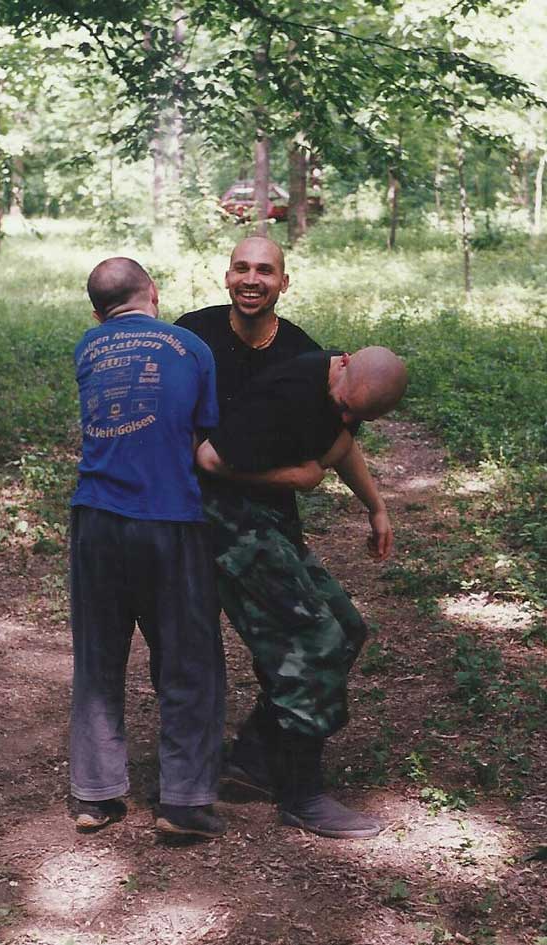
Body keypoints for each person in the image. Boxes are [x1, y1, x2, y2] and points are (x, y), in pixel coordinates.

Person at [176, 237, 405, 840]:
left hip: (268, 518)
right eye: (243, 268)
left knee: (346, 627)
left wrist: (376, 507)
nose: (253, 279)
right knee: (312, 638)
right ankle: (302, 795)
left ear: (284, 280)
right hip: (222, 518)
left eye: (265, 271)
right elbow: (207, 457)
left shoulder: (314, 360)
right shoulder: (198, 336)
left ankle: (254, 757)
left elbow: (340, 440)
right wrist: (302, 477)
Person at [69, 257, 226, 839]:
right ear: (154, 293)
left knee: (98, 658)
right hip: (170, 518)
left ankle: (95, 796)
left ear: (97, 312)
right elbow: (197, 437)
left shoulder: (87, 348)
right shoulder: (191, 347)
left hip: (96, 521)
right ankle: (183, 802)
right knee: (190, 657)